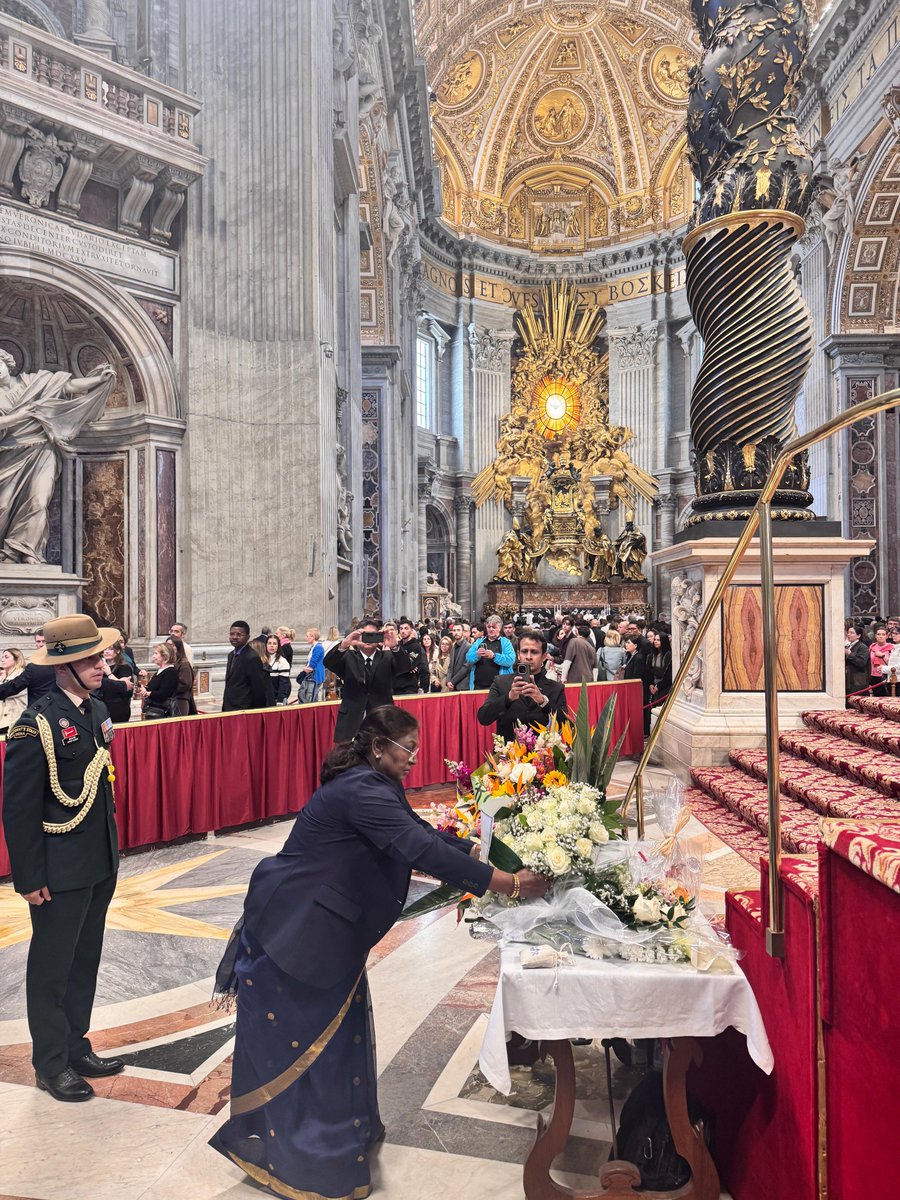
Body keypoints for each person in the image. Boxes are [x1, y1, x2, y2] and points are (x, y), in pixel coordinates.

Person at [209, 706, 548, 1198]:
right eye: (407, 749)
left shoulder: (373, 782)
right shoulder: (361, 789)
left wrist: (470, 847)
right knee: (307, 1048)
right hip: (300, 927)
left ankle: (341, 1139)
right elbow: (417, 849)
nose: (414, 758)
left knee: (337, 1038)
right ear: (377, 748)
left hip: (327, 925)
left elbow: (421, 833)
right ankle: (305, 1160)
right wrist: (509, 883)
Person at [1, 614, 122, 1101]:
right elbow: (19, 807)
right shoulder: (37, 724)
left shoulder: (93, 710)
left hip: (98, 861)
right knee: (52, 968)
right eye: (89, 658)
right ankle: (50, 1063)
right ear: (63, 667)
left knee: (85, 959)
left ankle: (76, 1045)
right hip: (58, 868)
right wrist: (28, 876)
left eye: (99, 655)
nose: (100, 663)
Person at [0, 350, 115, 564]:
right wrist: (20, 416)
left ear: (8, 363)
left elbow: (67, 386)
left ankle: (26, 551)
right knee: (3, 506)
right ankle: (6, 553)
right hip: (8, 455)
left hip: (42, 452)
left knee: (38, 501)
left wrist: (98, 379)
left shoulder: (35, 382)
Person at [323, 620, 412, 742]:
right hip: (351, 720)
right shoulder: (348, 657)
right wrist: (344, 644)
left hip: (382, 719)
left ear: (379, 636)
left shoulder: (387, 657)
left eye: (373, 635)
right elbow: (328, 663)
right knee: (349, 757)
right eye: (365, 635)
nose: (368, 639)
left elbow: (405, 667)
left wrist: (395, 646)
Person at [477, 628, 568, 741]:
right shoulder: (500, 682)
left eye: (534, 652)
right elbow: (483, 718)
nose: (529, 657)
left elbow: (565, 725)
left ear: (544, 657)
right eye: (524, 651)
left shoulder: (556, 688)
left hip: (543, 755)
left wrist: (543, 701)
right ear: (518, 654)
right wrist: (508, 698)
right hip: (508, 754)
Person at [222, 621, 275, 712]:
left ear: (247, 637)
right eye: (232, 634)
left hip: (244, 709)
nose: (234, 637)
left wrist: (255, 712)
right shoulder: (231, 655)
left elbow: (258, 688)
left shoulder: (252, 657)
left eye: (239, 634)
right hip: (229, 707)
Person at [0, 630, 56, 709]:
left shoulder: (34, 667)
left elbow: (14, 686)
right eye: (38, 641)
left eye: (44, 641)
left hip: (40, 710)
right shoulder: (34, 666)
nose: (41, 644)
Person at [465, 613, 515, 691]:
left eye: (494, 627)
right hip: (478, 685)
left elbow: (510, 660)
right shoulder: (479, 642)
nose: (491, 629)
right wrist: (477, 654)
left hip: (499, 686)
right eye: (489, 627)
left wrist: (494, 656)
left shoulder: (506, 642)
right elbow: (468, 658)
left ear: (499, 628)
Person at [95, 643, 134, 724]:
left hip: (118, 708)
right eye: (105, 649)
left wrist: (109, 674)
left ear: (118, 651)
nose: (106, 652)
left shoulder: (124, 667)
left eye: (110, 649)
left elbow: (127, 689)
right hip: (102, 706)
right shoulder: (99, 667)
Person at [139, 643, 179, 718]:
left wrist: (148, 693)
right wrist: (144, 689)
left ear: (165, 656)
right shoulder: (159, 671)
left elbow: (163, 694)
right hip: (153, 711)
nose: (153, 656)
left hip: (162, 713)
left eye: (156, 654)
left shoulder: (170, 672)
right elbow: (151, 687)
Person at [393, 618, 430, 695]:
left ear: (411, 630)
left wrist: (423, 687)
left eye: (406, 628)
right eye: (401, 629)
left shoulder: (416, 646)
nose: (403, 631)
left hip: (408, 687)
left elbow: (407, 665)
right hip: (395, 686)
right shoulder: (397, 645)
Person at [0, 646, 27, 736]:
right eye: (2, 657)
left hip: (16, 721)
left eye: (6, 657)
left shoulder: (21, 675)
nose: (3, 660)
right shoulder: (5, 677)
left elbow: (9, 691)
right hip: (3, 722)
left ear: (16, 659)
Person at [166, 636, 196, 715]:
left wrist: (167, 689)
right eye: (167, 645)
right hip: (170, 700)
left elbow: (184, 684)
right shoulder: (171, 663)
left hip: (180, 701)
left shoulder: (183, 664)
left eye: (171, 645)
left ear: (177, 647)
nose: (168, 648)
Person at [297, 628, 325, 704]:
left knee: (310, 697)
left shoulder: (318, 647)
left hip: (315, 675)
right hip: (312, 675)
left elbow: (313, 663)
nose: (306, 638)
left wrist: (305, 668)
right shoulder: (313, 647)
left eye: (307, 636)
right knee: (312, 696)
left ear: (313, 637)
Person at [648, 632, 673, 717]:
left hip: (664, 686)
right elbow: (649, 671)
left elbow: (668, 675)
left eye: (658, 640)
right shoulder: (652, 655)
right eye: (655, 639)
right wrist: (651, 684)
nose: (655, 641)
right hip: (654, 685)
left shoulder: (668, 655)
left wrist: (658, 686)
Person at [263, 634, 292, 705]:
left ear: (278, 646)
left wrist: (280, 701)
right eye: (269, 643)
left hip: (275, 699)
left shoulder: (282, 662)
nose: (272, 646)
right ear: (266, 645)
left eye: (274, 643)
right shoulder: (261, 659)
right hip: (262, 698)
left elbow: (284, 684)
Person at [845, 624, 870, 701]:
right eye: (848, 632)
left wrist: (850, 654)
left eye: (852, 633)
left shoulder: (863, 647)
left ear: (858, 635)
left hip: (858, 680)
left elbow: (861, 663)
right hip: (848, 678)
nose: (849, 634)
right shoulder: (848, 645)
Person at [446, 620, 472, 691]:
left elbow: (466, 668)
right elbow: (450, 666)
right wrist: (448, 681)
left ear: (463, 632)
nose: (456, 632)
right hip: (452, 686)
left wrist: (452, 681)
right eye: (454, 630)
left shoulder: (468, 647)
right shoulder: (453, 647)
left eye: (458, 630)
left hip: (463, 685)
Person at [869, 627, 892, 698]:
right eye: (878, 634)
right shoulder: (872, 647)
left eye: (883, 634)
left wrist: (882, 655)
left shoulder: (891, 647)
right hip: (874, 676)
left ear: (887, 636)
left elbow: (892, 663)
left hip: (886, 676)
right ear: (875, 636)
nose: (881, 636)